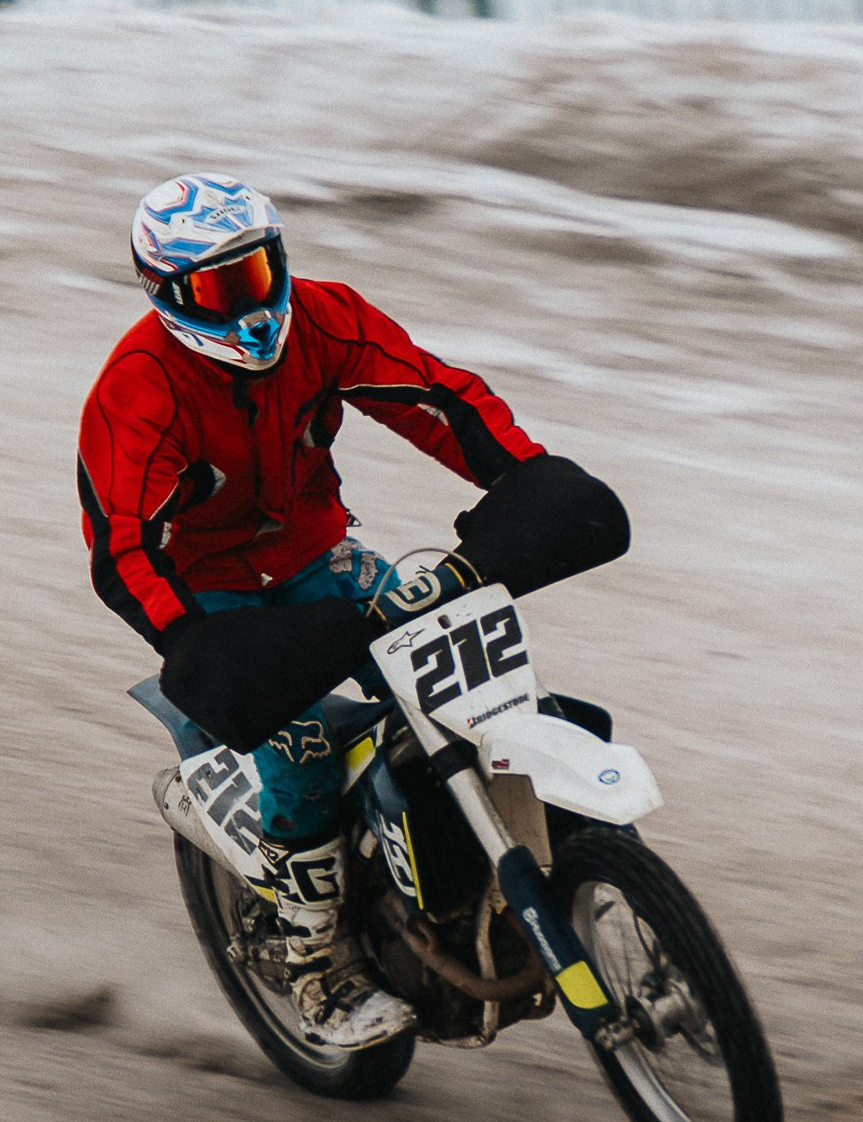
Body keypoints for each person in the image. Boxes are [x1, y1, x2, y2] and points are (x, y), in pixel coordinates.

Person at [77, 174, 625, 1051]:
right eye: (221, 287)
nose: (250, 301)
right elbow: (124, 548)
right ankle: (316, 967)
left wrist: (521, 474)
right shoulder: (138, 389)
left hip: (318, 551)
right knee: (300, 748)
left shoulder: (325, 318)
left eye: (259, 270)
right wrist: (190, 638)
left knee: (456, 659)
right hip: (214, 591)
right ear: (168, 294)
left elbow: (437, 397)